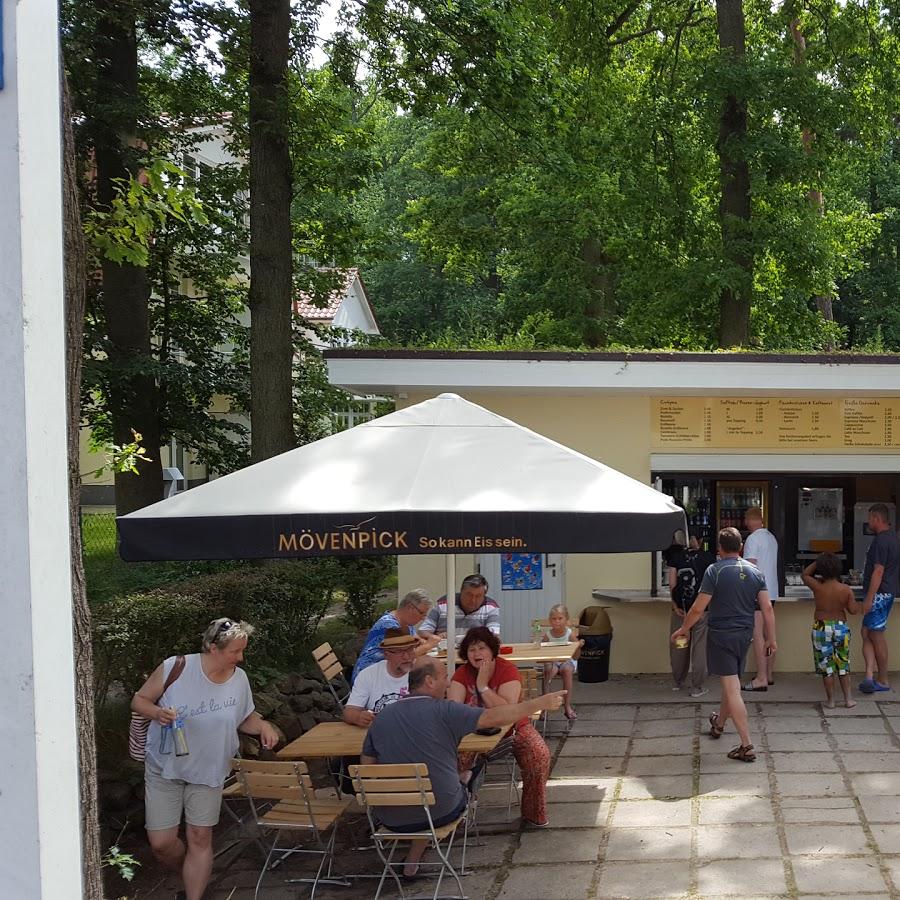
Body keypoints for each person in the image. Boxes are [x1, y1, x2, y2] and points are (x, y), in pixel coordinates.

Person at [361, 658, 565, 877]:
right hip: (440, 812)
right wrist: (538, 704)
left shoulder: (381, 718)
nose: (448, 683)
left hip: (389, 818)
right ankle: (463, 781)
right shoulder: (446, 711)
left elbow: (367, 767)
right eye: (444, 677)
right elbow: (493, 717)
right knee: (466, 774)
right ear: (430, 681)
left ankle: (412, 862)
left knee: (429, 789)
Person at [131, 618, 280, 900]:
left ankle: (194, 892)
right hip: (165, 767)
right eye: (234, 651)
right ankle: (192, 871)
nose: (240, 657)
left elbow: (245, 717)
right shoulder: (176, 667)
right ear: (213, 647)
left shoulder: (240, 679)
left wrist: (263, 726)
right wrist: (157, 713)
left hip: (209, 770)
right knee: (162, 843)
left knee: (200, 837)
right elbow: (139, 701)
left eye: (242, 650)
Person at [672, 527, 776, 763]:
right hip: (744, 635)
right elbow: (767, 608)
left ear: (719, 548)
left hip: (721, 635)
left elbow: (699, 607)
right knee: (732, 684)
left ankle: (747, 745)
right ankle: (718, 725)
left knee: (732, 689)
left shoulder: (714, 571)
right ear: (741, 547)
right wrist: (772, 638)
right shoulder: (755, 572)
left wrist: (683, 629)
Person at [447, 626, 552, 826]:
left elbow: (508, 713)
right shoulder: (461, 674)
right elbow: (453, 711)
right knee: (451, 760)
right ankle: (459, 812)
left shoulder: (507, 670)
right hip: (472, 734)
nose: (477, 654)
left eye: (481, 648)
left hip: (512, 730)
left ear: (492, 650)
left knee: (539, 755)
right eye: (471, 650)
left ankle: (532, 815)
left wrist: (483, 686)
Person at [802, 553, 860, 708]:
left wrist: (818, 561)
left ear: (821, 569)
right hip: (840, 626)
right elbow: (853, 611)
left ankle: (831, 701)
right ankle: (848, 699)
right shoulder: (845, 589)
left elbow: (805, 574)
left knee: (826, 666)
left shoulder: (818, 586)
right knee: (843, 663)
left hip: (821, 627)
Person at [352, 589, 442, 681]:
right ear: (410, 607)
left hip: (387, 674)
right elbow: (404, 657)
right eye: (422, 613)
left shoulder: (405, 623)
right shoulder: (389, 626)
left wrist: (423, 643)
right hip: (369, 680)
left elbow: (417, 642)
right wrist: (428, 645)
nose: (423, 618)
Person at [859, 503, 900, 693]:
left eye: (870, 518)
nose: (868, 522)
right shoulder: (893, 538)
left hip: (880, 594)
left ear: (876, 518)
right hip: (885, 592)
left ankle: (882, 679)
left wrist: (869, 598)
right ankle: (869, 675)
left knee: (875, 634)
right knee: (866, 633)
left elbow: (878, 571)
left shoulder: (882, 541)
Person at [666, 531, 711, 698]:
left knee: (680, 644)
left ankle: (678, 682)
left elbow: (672, 584)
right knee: (700, 647)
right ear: (700, 541)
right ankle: (697, 687)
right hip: (701, 610)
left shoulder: (675, 557)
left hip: (681, 610)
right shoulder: (708, 559)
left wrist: (675, 605)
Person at [344, 629, 418, 726]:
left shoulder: (423, 671)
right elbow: (349, 711)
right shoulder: (368, 675)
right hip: (380, 734)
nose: (407, 657)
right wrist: (358, 717)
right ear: (386, 654)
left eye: (410, 650)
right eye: (400, 652)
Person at [742, 507, 780, 691]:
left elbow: (750, 569)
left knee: (758, 635)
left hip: (757, 593)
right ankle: (769, 674)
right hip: (771, 591)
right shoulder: (771, 538)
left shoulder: (752, 539)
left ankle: (761, 678)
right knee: (769, 635)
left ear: (749, 520)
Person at [418, 574, 500, 638]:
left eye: (478, 596)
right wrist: (436, 637)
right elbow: (422, 632)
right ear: (461, 592)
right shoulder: (443, 604)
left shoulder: (491, 607)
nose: (473, 600)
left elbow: (493, 636)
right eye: (469, 595)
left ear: (484, 596)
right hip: (445, 653)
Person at [540, 603, 584, 719]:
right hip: (553, 660)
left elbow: (576, 657)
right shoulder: (548, 635)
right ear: (550, 621)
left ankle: (567, 706)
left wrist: (578, 646)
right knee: (548, 671)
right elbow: (542, 652)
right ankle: (545, 707)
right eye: (554, 619)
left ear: (566, 620)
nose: (557, 621)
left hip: (567, 660)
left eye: (560, 618)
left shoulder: (570, 634)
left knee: (567, 670)